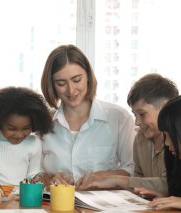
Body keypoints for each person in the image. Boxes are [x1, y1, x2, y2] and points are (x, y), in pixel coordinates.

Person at [40, 44, 135, 188]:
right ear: (52, 85)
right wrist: (50, 179)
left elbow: (134, 170)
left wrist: (102, 176)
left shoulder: (119, 118)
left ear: (88, 77)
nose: (71, 90)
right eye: (61, 83)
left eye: (77, 80)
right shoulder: (43, 124)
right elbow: (33, 174)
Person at [77, 73, 179, 194]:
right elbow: (138, 182)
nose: (137, 122)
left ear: (164, 108)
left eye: (142, 114)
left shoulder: (178, 142)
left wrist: (115, 180)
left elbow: (170, 184)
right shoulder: (140, 139)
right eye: (135, 115)